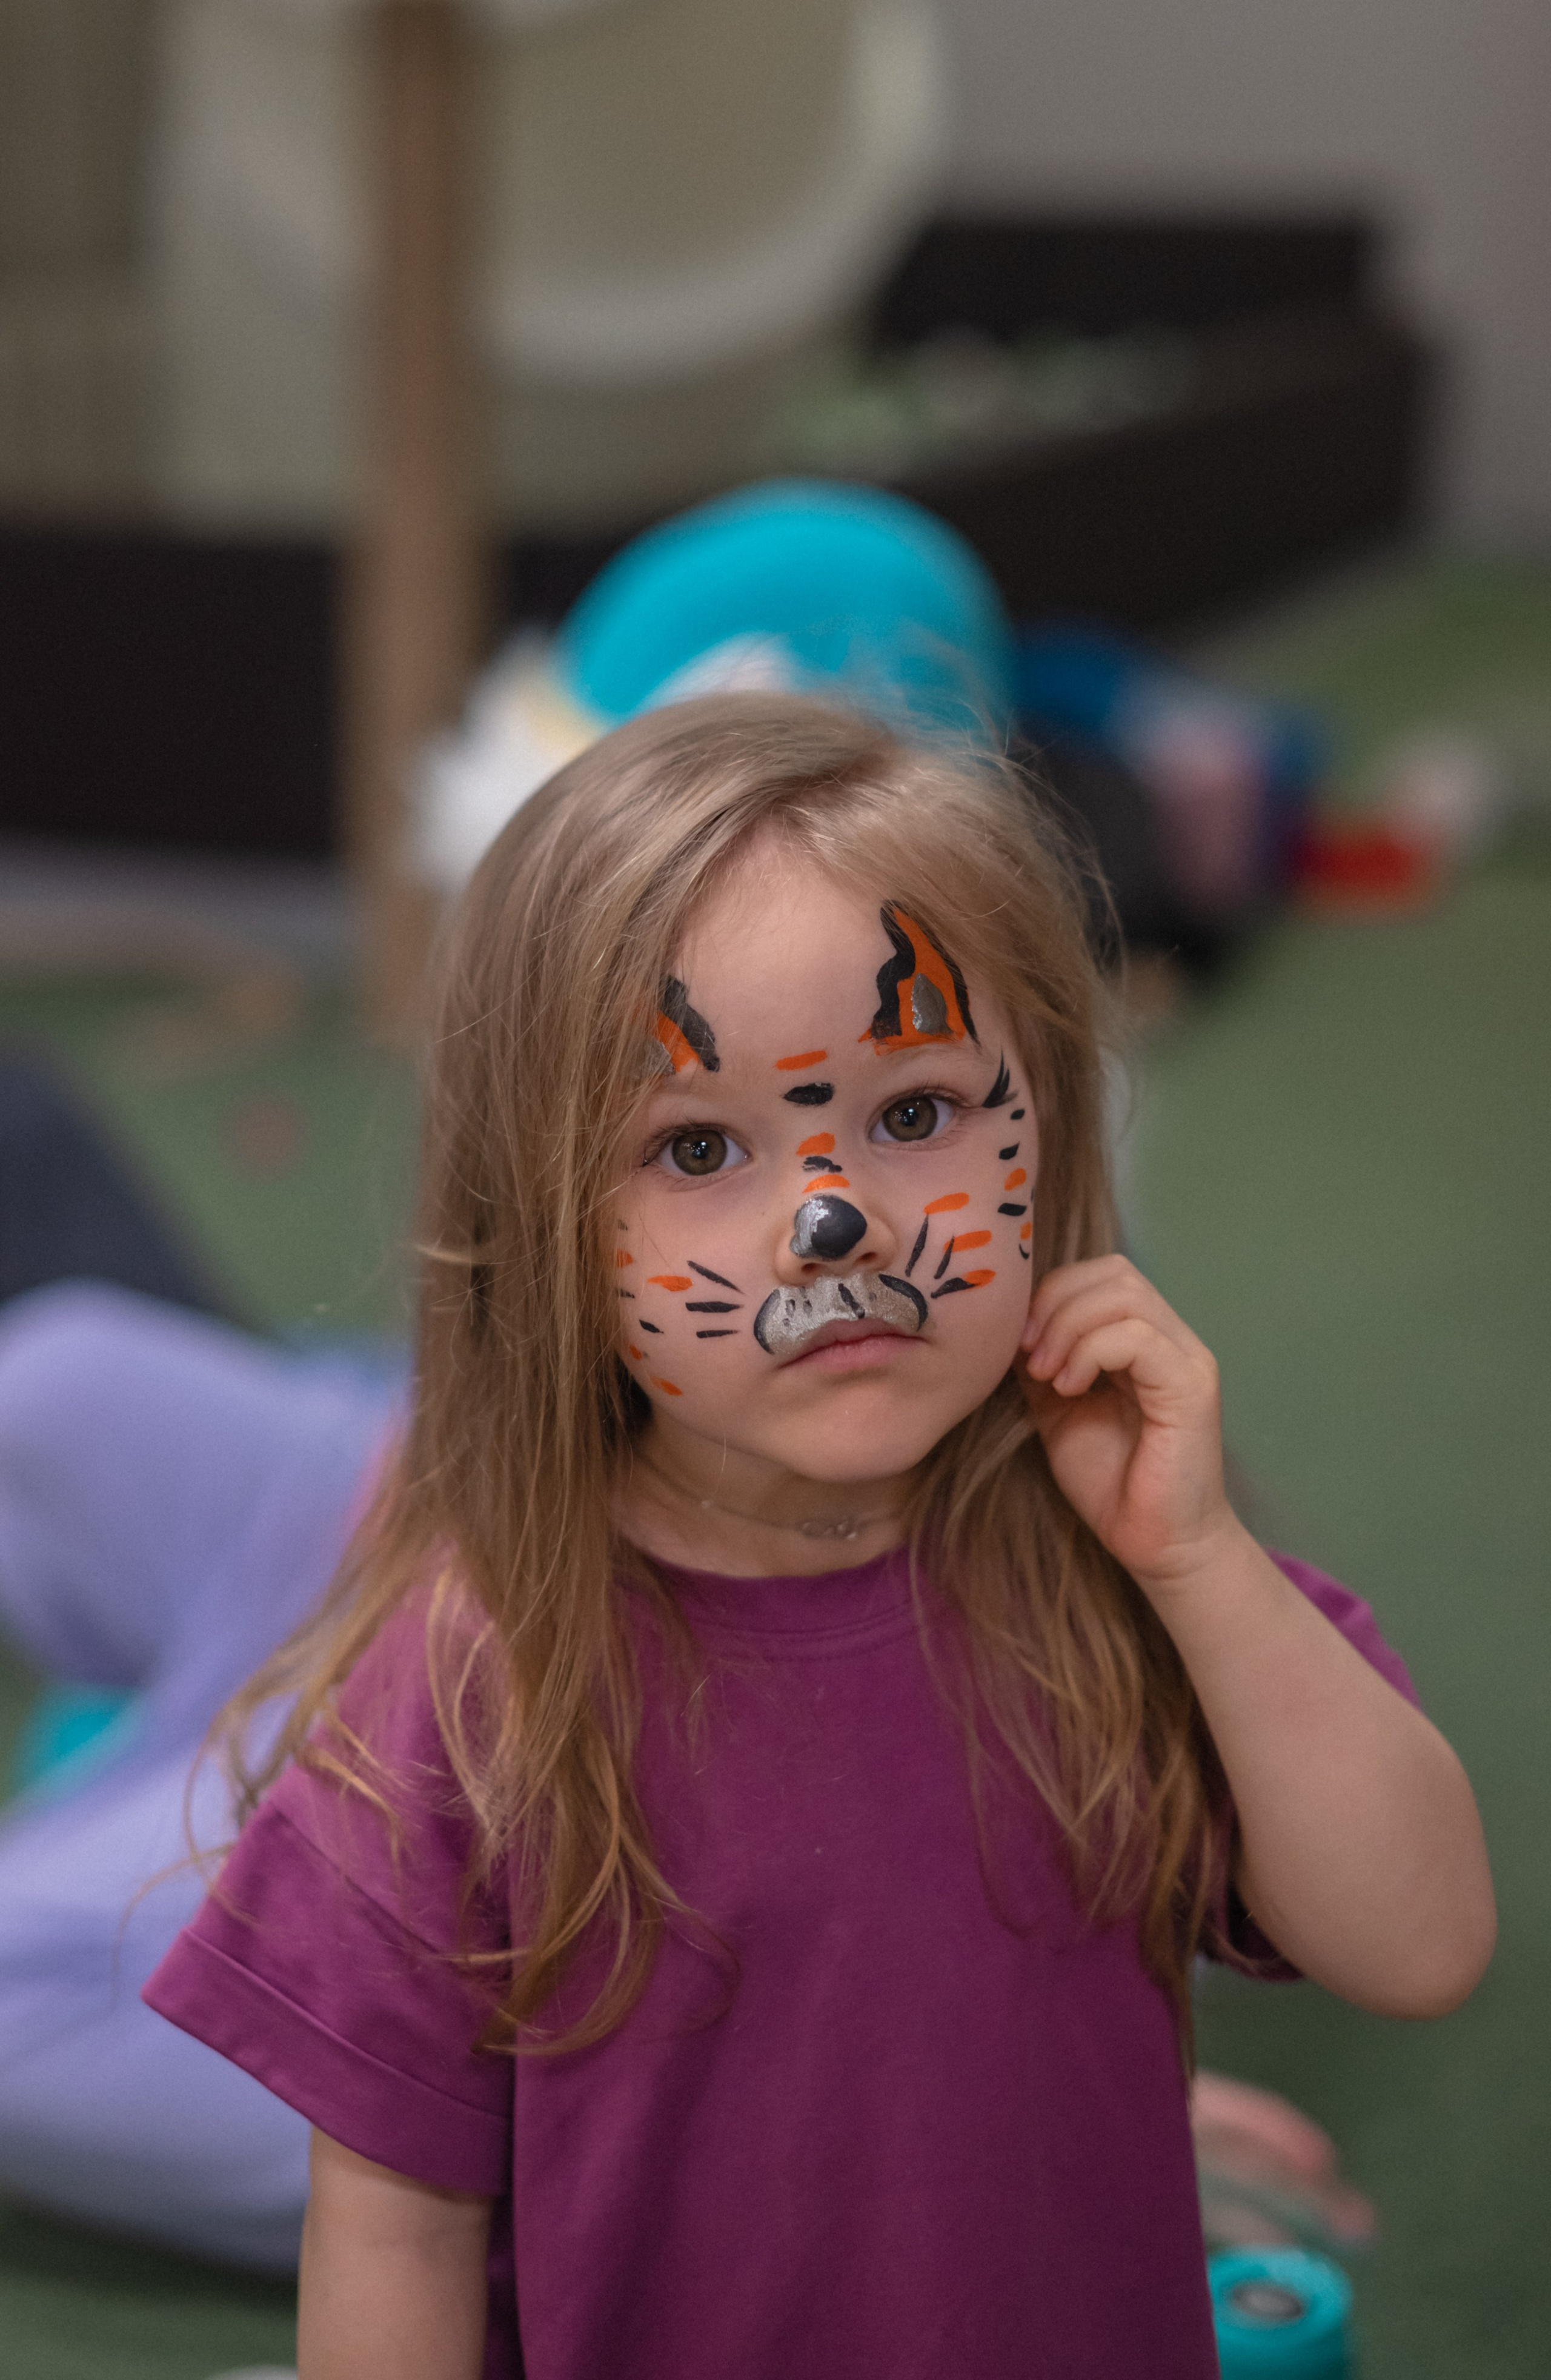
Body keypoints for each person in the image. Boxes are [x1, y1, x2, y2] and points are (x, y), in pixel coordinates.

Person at [133, 694, 1492, 2378]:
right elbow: (399, 2227)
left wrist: (1203, 1564)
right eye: (700, 1145)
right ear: (544, 1228)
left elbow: (1424, 1940)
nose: (828, 1219)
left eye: (916, 1111)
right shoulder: (478, 1676)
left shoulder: (1109, 1579)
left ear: (1050, 1123)